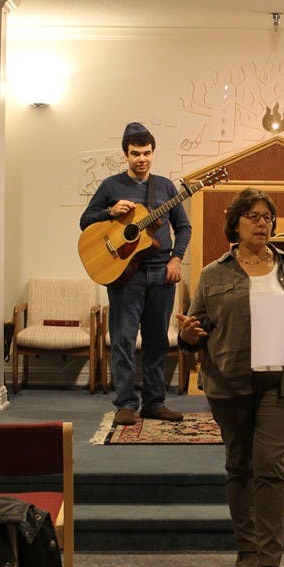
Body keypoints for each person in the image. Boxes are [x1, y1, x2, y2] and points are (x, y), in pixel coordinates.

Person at [176, 187, 284, 567]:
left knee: (269, 465)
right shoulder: (213, 273)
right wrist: (188, 334)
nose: (263, 223)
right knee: (239, 464)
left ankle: (270, 563)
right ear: (236, 223)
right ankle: (246, 547)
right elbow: (194, 331)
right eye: (254, 216)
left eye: (267, 217)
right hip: (229, 380)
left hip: (283, 380)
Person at [79, 122, 191, 426]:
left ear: (153, 153)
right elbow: (85, 221)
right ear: (125, 155)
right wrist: (109, 212)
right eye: (135, 154)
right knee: (123, 340)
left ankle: (154, 403)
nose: (141, 159)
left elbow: (183, 227)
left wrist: (176, 259)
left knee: (156, 341)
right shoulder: (110, 186)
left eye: (146, 153)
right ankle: (125, 404)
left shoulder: (166, 187)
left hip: (160, 273)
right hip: (124, 275)